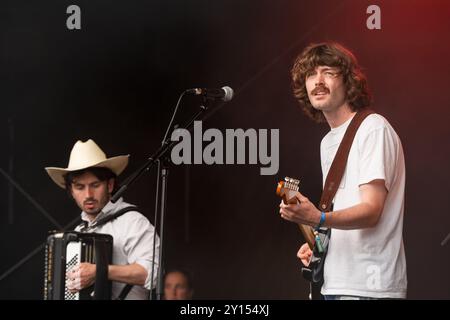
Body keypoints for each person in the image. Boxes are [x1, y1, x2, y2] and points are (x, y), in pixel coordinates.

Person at [279, 42, 407, 299]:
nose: (318, 81)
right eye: (310, 74)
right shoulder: (327, 142)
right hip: (336, 285)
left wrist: (318, 218)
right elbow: (342, 212)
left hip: (370, 288)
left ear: (349, 81)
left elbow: (371, 211)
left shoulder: (373, 128)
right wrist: (321, 245)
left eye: (328, 71)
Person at [45, 139, 160, 300]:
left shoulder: (133, 222)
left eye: (95, 185)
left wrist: (99, 271)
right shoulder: (78, 233)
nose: (88, 195)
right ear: (71, 191)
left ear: (110, 185)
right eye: (80, 187)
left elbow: (153, 274)